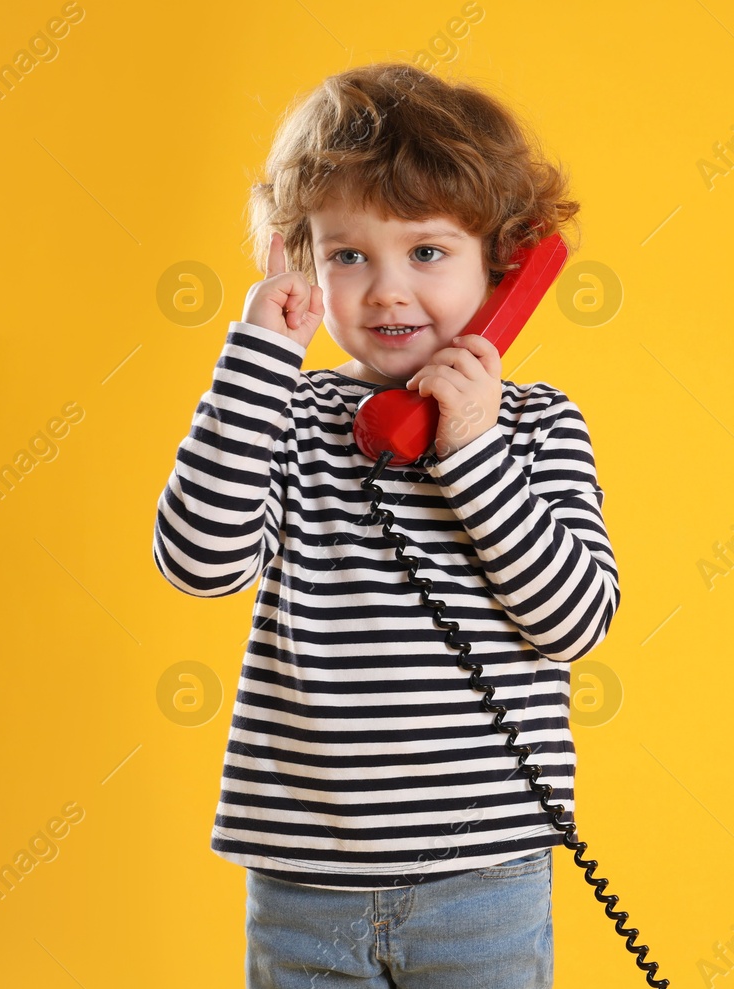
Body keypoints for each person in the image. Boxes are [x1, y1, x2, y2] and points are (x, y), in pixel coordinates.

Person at [150, 61, 616, 989]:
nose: (388, 291)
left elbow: (575, 618)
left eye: (429, 253)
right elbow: (198, 560)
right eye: (349, 255)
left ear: (506, 267)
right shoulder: (280, 417)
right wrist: (258, 361)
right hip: (304, 879)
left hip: (483, 877)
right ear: (300, 262)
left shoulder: (539, 426)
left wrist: (472, 452)